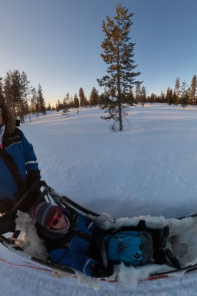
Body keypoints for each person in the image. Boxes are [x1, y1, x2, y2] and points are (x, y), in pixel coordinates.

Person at [31, 202, 179, 278]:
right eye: (55, 222)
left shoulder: (71, 216)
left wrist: (97, 229)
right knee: (125, 252)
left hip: (101, 236)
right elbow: (76, 261)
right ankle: (159, 258)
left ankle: (155, 237)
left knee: (123, 235)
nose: (61, 221)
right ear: (48, 228)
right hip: (95, 254)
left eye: (59, 215)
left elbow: (86, 221)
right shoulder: (56, 248)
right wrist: (93, 268)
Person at [0, 95, 42, 234]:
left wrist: (34, 175)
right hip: (7, 206)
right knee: (22, 243)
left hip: (29, 191)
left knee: (48, 226)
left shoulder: (16, 134)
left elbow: (29, 155)